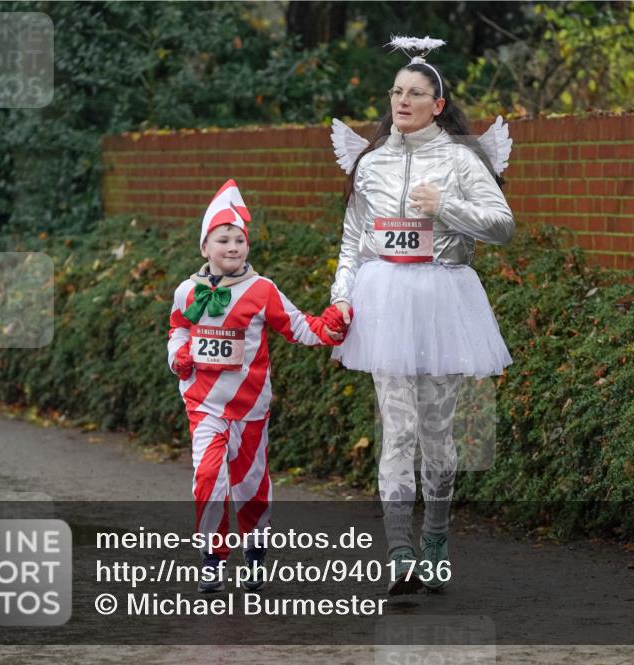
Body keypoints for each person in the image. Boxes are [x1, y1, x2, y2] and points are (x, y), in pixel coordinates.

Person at [328, 37, 514, 594]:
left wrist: (447, 208)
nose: (402, 101)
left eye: (415, 93)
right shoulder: (371, 162)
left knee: (436, 432)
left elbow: (502, 226)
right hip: (383, 298)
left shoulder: (462, 158)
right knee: (397, 429)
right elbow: (352, 242)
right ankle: (399, 552)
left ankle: (435, 535)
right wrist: (341, 298)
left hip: (443, 299)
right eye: (396, 92)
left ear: (438, 104)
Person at [167, 179, 349, 593]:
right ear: (205, 247)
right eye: (223, 239)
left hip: (250, 407)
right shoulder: (186, 291)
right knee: (208, 476)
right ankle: (211, 558)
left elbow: (298, 325)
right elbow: (177, 329)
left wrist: (332, 329)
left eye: (239, 240)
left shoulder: (262, 289)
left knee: (250, 485)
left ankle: (254, 552)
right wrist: (178, 356)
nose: (232, 247)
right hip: (204, 405)